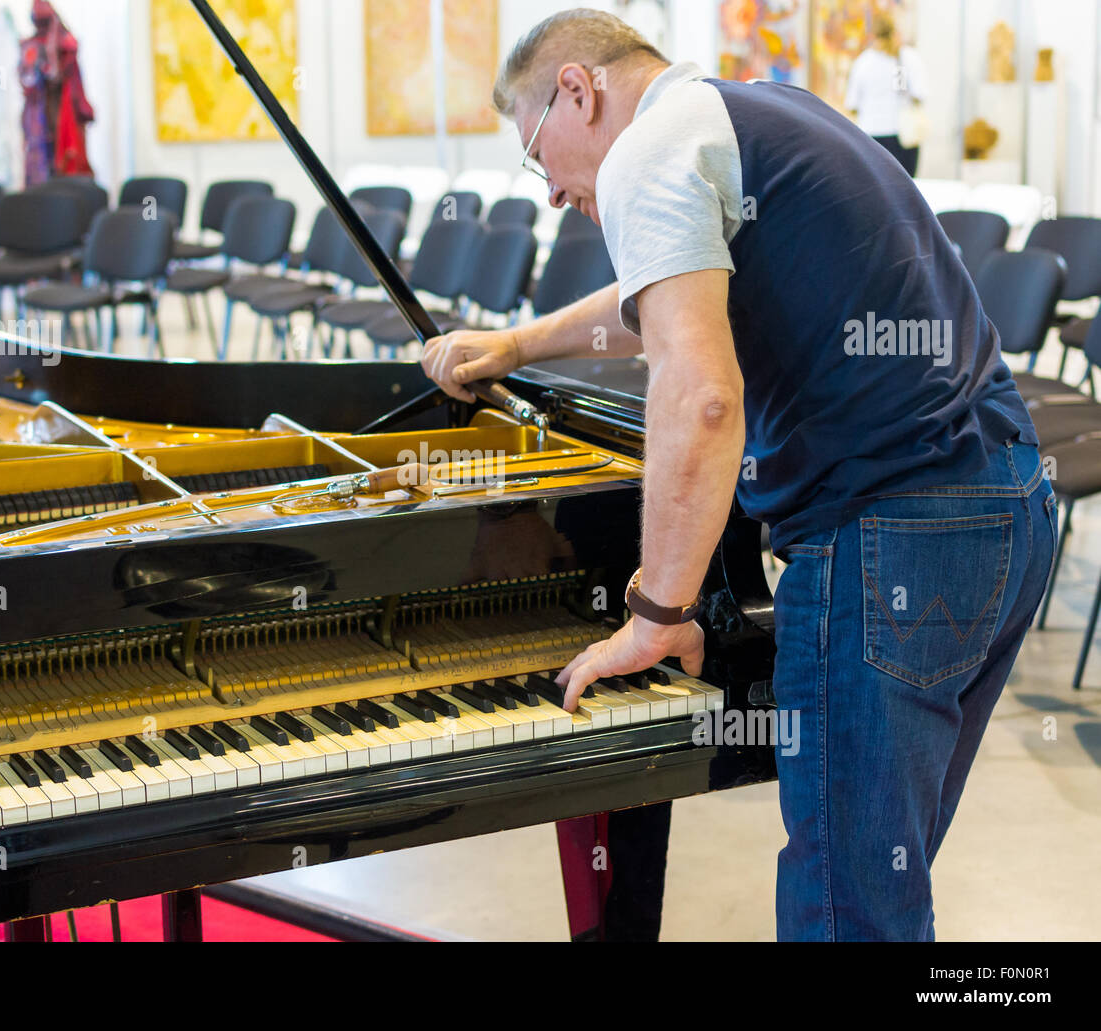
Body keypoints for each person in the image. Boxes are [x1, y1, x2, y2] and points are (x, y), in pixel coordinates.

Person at [420, 8, 1055, 941]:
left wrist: (657, 614)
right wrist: (518, 342)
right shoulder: (755, 111)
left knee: (846, 913)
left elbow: (704, 398)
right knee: (880, 888)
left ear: (578, 91)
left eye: (534, 150)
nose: (549, 192)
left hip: (888, 534)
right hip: (1003, 504)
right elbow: (659, 296)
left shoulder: (649, 152)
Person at [844, 12, 927, 176]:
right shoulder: (906, 58)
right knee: (906, 188)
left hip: (870, 136)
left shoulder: (863, 62)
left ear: (872, 35)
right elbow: (920, 94)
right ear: (896, 33)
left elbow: (852, 104)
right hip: (903, 136)